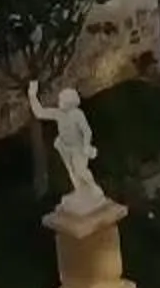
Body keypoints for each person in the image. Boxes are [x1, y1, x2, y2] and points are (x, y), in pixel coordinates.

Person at [26, 79, 104, 208]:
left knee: (80, 169)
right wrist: (32, 95)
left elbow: (87, 131)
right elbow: (40, 113)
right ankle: (80, 191)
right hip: (64, 146)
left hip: (78, 147)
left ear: (70, 102)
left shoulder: (77, 114)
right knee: (71, 171)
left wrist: (86, 145)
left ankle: (94, 187)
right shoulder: (58, 114)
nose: (59, 102)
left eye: (62, 100)